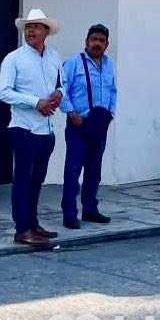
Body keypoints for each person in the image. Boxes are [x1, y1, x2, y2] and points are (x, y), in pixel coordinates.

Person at [0, 8, 65, 246]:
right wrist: (36, 102)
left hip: (45, 130)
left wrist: (58, 93)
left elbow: (63, 83)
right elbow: (3, 92)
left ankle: (33, 223)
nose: (31, 31)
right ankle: (22, 229)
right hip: (23, 128)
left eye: (36, 26)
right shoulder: (13, 59)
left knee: (37, 180)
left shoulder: (54, 57)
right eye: (28, 27)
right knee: (23, 180)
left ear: (46, 31)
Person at [61, 24, 118, 229]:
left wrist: (110, 113)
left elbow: (113, 90)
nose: (97, 44)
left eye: (101, 41)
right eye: (94, 39)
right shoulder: (74, 63)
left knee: (94, 170)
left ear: (106, 44)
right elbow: (61, 89)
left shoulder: (109, 64)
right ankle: (69, 213)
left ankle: (90, 210)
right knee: (74, 168)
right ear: (86, 42)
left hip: (99, 123)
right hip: (79, 123)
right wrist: (71, 113)